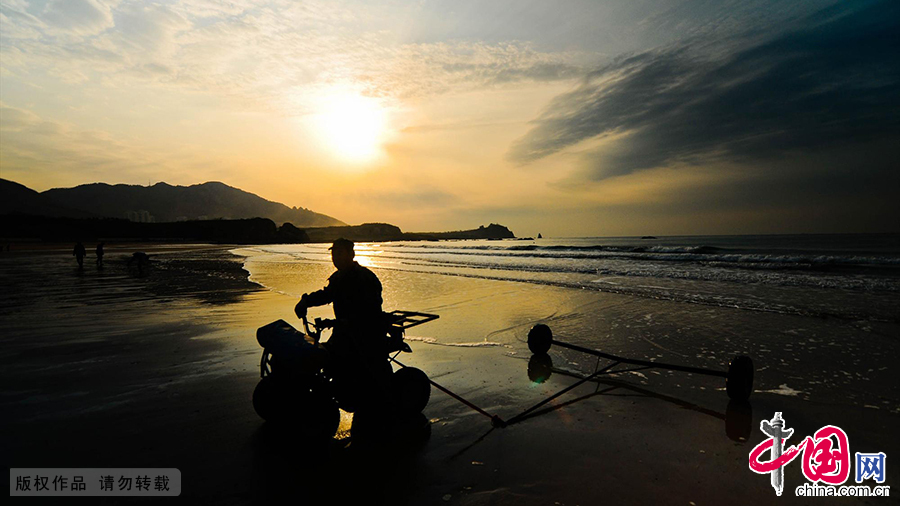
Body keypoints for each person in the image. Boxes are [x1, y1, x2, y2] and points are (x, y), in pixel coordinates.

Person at [294, 238, 387, 409]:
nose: (335, 258)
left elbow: (370, 310)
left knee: (341, 362)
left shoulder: (365, 278)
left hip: (365, 334)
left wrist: (345, 322)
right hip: (344, 332)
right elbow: (326, 294)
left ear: (351, 254)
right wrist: (305, 301)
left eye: (340, 253)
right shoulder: (338, 278)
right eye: (333, 254)